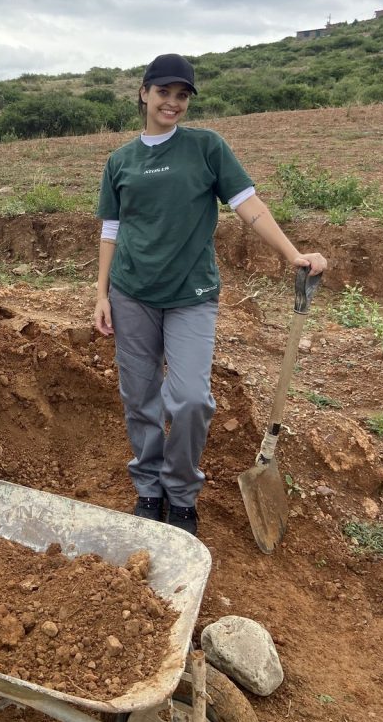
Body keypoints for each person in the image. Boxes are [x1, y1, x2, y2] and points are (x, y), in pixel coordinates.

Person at [94, 54, 327, 536]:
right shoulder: (121, 161)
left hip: (190, 294)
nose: (173, 103)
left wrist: (292, 253)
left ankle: (181, 492)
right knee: (139, 397)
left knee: (191, 399)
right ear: (144, 93)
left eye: (182, 96)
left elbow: (248, 205)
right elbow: (111, 229)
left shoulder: (205, 148)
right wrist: (101, 293)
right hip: (131, 292)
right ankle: (149, 489)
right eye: (164, 93)